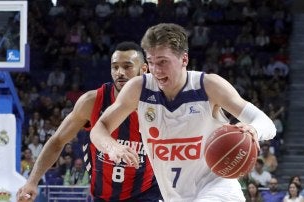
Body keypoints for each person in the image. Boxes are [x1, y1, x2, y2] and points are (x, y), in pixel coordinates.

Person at [90, 23, 276, 201]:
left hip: (218, 189)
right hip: (175, 195)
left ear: (184, 59)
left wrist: (254, 130)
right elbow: (99, 129)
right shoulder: (139, 89)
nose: (156, 70)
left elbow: (266, 123)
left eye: (163, 62)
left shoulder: (209, 86)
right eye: (151, 62)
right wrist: (112, 147)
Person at [17, 41, 162, 201]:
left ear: (143, 69)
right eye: (115, 67)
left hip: (147, 192)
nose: (120, 72)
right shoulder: (91, 101)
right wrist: (32, 181)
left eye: (127, 67)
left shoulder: (159, 103)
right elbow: (57, 141)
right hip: (103, 195)